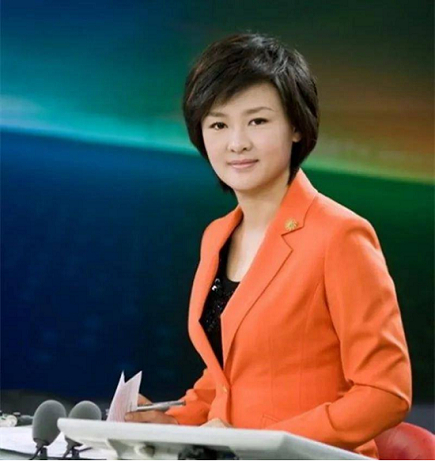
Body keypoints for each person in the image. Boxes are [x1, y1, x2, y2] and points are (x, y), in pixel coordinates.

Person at [125, 32, 412, 459]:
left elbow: (385, 393)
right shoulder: (217, 235)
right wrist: (174, 421)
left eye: (257, 121)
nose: (237, 142)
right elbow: (228, 378)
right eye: (218, 124)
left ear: (296, 127)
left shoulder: (341, 235)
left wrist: (258, 445)